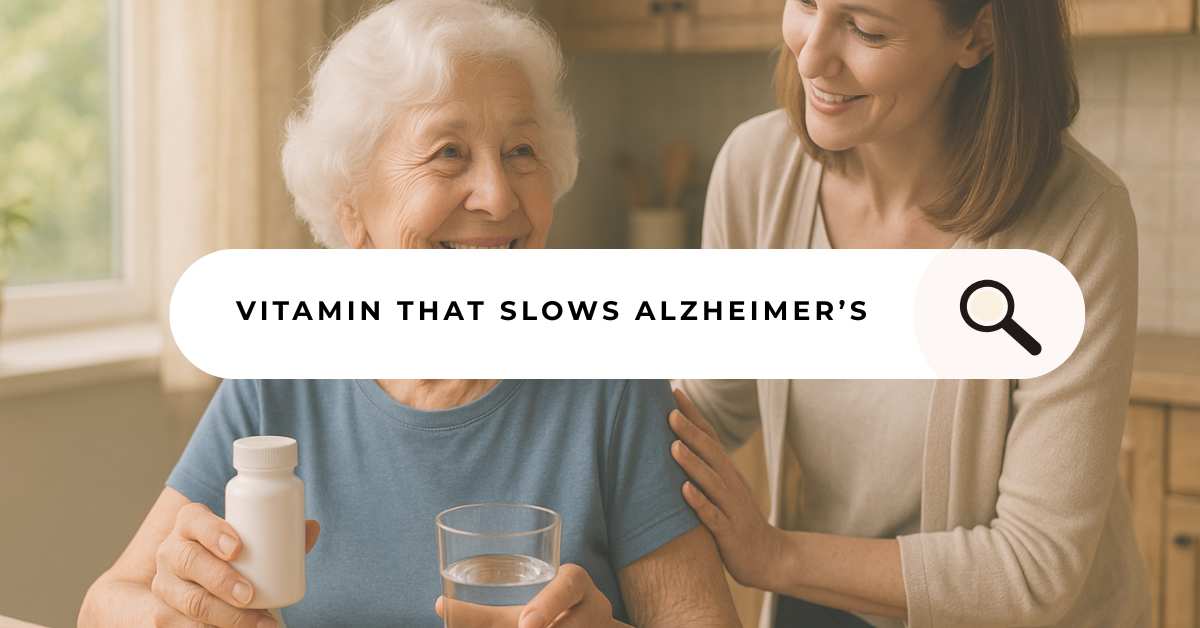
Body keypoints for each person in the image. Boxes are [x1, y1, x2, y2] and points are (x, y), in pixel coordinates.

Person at [79, 2, 741, 627]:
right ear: (350, 208)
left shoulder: (612, 386)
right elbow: (104, 603)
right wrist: (168, 610)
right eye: (448, 153)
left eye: (521, 152)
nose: (497, 193)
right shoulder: (279, 376)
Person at [669, 1, 1147, 627]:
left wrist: (776, 555)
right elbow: (716, 398)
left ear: (977, 34)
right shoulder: (757, 168)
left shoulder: (1077, 222)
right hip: (828, 602)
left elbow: (1031, 570)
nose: (809, 55)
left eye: (867, 29)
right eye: (807, 3)